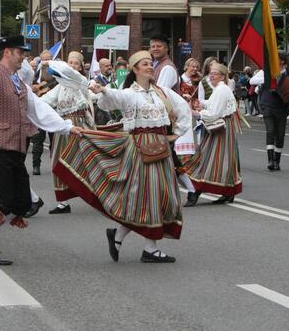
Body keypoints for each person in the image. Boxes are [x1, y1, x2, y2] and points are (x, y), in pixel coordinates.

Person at [58, 50, 190, 263]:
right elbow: (114, 98)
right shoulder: (131, 93)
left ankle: (119, 237)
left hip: (161, 150)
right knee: (147, 196)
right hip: (140, 150)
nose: (150, 67)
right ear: (135, 70)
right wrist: (103, 90)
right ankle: (150, 248)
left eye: (150, 64)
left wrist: (176, 134)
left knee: (152, 197)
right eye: (145, 64)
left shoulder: (161, 92)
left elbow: (183, 108)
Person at [0, 36, 82, 266]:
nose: (24, 56)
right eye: (20, 52)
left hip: (14, 146)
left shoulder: (19, 82)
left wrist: (66, 126)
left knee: (24, 202)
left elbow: (39, 109)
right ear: (7, 52)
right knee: (5, 200)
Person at [39, 52, 96, 214]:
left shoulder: (81, 82)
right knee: (58, 161)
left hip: (80, 127)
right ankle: (63, 202)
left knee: (86, 162)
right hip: (63, 127)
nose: (72, 66)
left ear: (81, 67)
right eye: (70, 62)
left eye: (76, 63)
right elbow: (46, 101)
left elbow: (71, 75)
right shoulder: (60, 87)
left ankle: (96, 195)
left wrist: (49, 62)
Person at [184, 63, 241, 206]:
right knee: (222, 159)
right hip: (222, 128)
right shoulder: (221, 89)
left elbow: (215, 113)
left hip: (219, 129)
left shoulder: (222, 89)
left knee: (206, 158)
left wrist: (198, 113)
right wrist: (202, 104)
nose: (212, 75)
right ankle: (228, 192)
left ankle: (196, 191)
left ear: (222, 76)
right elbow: (215, 104)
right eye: (211, 72)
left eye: (215, 73)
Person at [250, 55, 289, 171]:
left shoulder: (288, 72)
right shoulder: (267, 70)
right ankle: (270, 160)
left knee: (280, 135)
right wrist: (269, 78)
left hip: (282, 107)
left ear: (282, 61)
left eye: (277, 58)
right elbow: (252, 80)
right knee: (270, 131)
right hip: (268, 105)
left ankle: (277, 161)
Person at [176, 58, 201, 205]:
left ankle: (191, 186)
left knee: (186, 152)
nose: (194, 69)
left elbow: (198, 98)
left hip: (191, 114)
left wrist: (197, 104)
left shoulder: (197, 82)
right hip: (180, 115)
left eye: (196, 67)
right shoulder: (180, 80)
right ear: (186, 67)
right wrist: (181, 97)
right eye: (192, 66)